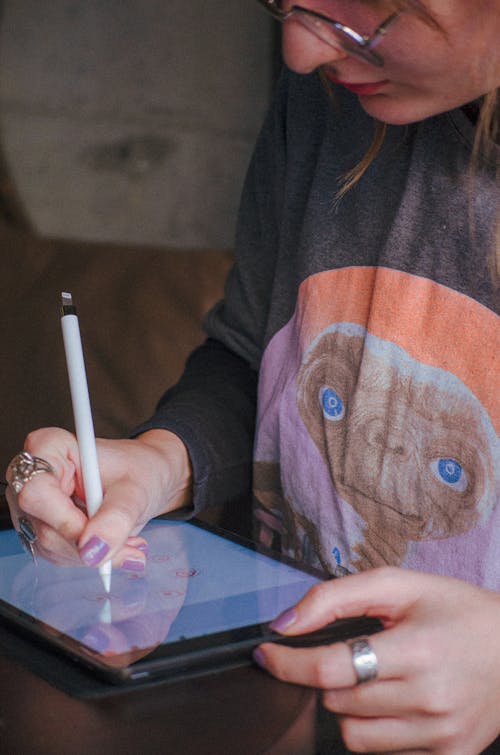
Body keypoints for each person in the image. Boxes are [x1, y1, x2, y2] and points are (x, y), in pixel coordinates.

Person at [5, 0, 500, 752]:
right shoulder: (324, 99)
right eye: (283, 0)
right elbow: (252, 358)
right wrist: (161, 461)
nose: (299, 52)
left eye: (367, 10)